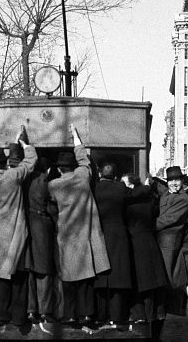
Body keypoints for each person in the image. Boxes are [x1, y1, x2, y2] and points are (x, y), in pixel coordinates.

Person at [48, 125, 110, 325]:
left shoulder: (54, 185)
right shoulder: (82, 176)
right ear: (73, 166)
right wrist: (76, 136)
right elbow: (84, 160)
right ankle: (87, 314)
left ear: (58, 169)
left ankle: (70, 314)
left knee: (68, 279)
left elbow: (50, 206)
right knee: (86, 280)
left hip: (66, 237)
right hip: (85, 236)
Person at [0, 126, 37, 326]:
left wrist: (14, 142)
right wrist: (25, 145)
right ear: (5, 163)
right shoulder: (12, 177)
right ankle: (18, 318)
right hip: (16, 234)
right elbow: (30, 163)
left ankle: (2, 317)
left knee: (2, 277)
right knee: (19, 277)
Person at [152, 166, 188, 341]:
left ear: (182, 182)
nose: (175, 183)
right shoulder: (166, 195)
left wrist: (146, 226)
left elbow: (167, 220)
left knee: (164, 286)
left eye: (177, 180)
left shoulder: (183, 199)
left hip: (168, 245)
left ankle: (156, 334)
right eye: (171, 181)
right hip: (160, 243)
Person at [121, 173, 168, 324]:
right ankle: (151, 319)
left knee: (139, 284)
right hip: (149, 244)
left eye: (124, 184)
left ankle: (140, 316)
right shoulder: (149, 200)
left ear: (132, 186)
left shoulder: (128, 202)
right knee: (149, 285)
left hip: (136, 244)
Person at [93, 162, 134, 325]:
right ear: (115, 176)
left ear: (100, 174)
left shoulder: (94, 188)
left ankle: (101, 315)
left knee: (101, 278)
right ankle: (117, 317)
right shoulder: (121, 188)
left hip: (99, 234)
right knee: (118, 278)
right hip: (119, 235)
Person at [23, 156, 57, 323]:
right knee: (44, 271)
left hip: (26, 225)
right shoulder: (46, 181)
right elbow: (52, 206)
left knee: (30, 269)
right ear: (48, 169)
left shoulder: (24, 179)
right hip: (42, 227)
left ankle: (30, 310)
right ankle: (45, 310)